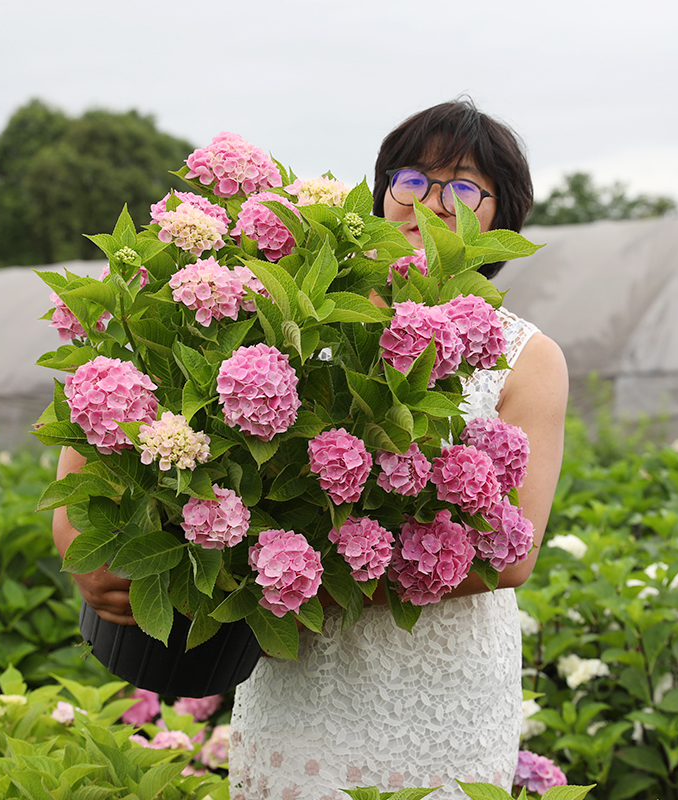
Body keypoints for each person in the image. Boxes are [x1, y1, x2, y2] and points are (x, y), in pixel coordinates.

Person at [227, 100, 568, 799]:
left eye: (464, 185)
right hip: (298, 676)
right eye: (412, 177)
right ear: (382, 192)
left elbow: (512, 556)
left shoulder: (524, 356)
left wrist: (311, 583)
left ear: (502, 217)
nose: (433, 202)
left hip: (435, 686)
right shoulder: (315, 322)